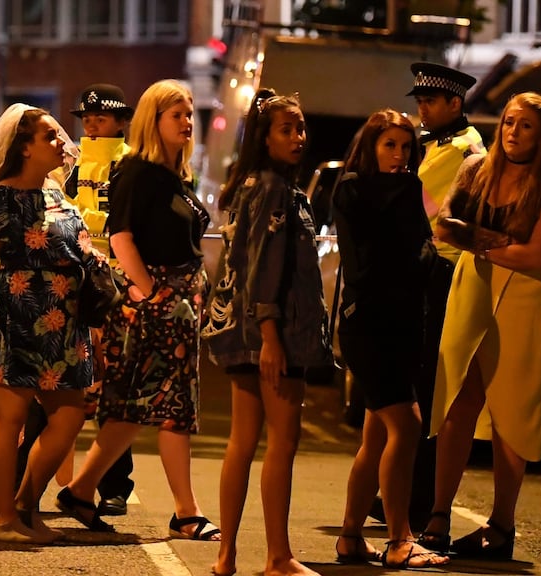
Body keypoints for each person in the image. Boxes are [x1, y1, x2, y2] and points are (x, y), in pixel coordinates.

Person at [55, 79, 219, 540]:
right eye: (177, 115)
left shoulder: (174, 174)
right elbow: (121, 237)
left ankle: (83, 490)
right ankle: (185, 512)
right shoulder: (137, 171)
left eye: (190, 114)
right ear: (154, 120)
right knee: (164, 406)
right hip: (157, 303)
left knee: (143, 406)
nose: (187, 122)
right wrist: (152, 293)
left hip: (179, 302)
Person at [420, 91, 541, 559]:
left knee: (513, 409)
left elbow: (536, 254)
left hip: (523, 296)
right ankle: (439, 514)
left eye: (525, 125)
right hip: (473, 287)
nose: (513, 132)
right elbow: (444, 225)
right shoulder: (475, 170)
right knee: (458, 400)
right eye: (508, 122)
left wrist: (480, 242)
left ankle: (501, 525)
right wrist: (490, 242)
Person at [202, 89, 335, 576]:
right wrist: (271, 334)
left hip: (246, 331)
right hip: (270, 334)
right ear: (265, 137)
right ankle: (278, 556)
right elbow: (263, 267)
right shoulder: (274, 189)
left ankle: (227, 555)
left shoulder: (252, 186)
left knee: (243, 440)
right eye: (287, 129)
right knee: (283, 440)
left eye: (301, 128)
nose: (299, 137)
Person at [0, 103, 94, 544]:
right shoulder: (1, 197)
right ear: (25, 148)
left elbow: (80, 248)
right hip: (14, 314)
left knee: (70, 416)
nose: (61, 142)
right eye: (50, 136)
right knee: (8, 420)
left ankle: (27, 505)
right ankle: (4, 518)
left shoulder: (57, 194)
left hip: (64, 322)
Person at [369, 60, 488, 533]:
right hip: (421, 269)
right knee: (409, 384)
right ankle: (399, 492)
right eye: (418, 100)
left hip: (441, 271)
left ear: (455, 104)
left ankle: (416, 502)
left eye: (429, 101)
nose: (420, 108)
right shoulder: (431, 142)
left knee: (424, 387)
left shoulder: (466, 149)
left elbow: (418, 204)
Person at [330, 109, 450, 571]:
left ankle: (350, 537)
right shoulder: (355, 188)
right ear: (370, 146)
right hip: (370, 323)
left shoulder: (407, 189)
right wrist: (422, 254)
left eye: (406, 147)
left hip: (401, 325)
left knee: (375, 435)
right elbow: (373, 263)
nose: (399, 155)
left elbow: (422, 249)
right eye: (389, 145)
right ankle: (400, 539)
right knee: (407, 424)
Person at [14, 84, 136, 517]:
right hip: (71, 280)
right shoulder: (69, 163)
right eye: (87, 119)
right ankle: (20, 482)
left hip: (116, 281)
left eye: (101, 119)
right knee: (52, 382)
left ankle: (113, 484)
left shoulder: (132, 162)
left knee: (113, 387)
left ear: (122, 121)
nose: (92, 126)